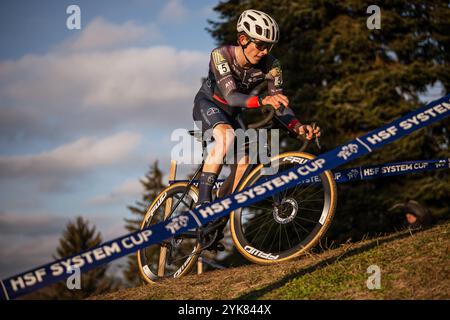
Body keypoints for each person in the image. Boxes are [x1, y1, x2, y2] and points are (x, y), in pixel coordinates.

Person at [192, 9, 320, 250]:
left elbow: (280, 105)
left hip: (235, 113)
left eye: (269, 47)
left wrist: (298, 126)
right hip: (210, 104)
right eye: (260, 45)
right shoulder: (221, 55)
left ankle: (217, 213)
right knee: (226, 137)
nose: (264, 52)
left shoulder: (273, 66)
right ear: (243, 39)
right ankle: (202, 203)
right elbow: (230, 96)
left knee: (246, 163)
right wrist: (262, 101)